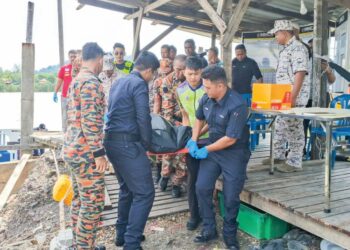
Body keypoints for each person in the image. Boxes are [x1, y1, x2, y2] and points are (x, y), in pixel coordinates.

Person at [188, 65, 250, 249]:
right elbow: (200, 118)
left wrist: (205, 150)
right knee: (201, 187)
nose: (204, 90)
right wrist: (194, 139)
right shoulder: (207, 98)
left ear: (220, 86)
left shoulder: (237, 104)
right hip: (214, 149)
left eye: (207, 87)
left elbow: (230, 139)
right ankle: (209, 228)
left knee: (231, 197)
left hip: (234, 153)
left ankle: (229, 235)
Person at [104, 51, 160, 250]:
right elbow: (143, 118)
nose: (152, 79)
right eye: (153, 75)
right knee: (145, 193)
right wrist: (147, 145)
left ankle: (122, 234)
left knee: (127, 188)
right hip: (128, 144)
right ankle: (132, 242)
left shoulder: (119, 81)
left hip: (111, 142)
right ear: (149, 71)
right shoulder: (139, 84)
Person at [63, 42, 107, 250]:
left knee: (80, 199)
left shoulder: (76, 80)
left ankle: (80, 243)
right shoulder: (91, 83)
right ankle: (83, 247)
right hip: (85, 152)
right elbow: (90, 122)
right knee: (93, 203)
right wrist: (99, 154)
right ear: (99, 59)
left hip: (72, 147)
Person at [264, 20, 310, 172]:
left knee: (294, 128)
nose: (275, 37)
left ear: (284, 32)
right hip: (284, 96)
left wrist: (293, 97)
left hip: (293, 97)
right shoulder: (286, 49)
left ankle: (294, 161)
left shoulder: (297, 48)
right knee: (280, 125)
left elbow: (300, 72)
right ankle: (278, 155)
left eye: (276, 33)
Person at [176, 56, 209, 231]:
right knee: (192, 179)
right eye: (190, 74)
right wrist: (186, 137)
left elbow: (210, 120)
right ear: (184, 72)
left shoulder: (208, 88)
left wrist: (196, 136)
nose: (193, 78)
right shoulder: (179, 90)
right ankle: (194, 215)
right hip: (191, 142)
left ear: (202, 73)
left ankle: (207, 214)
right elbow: (185, 115)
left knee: (206, 180)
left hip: (209, 140)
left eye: (196, 74)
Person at [153, 54, 186, 198]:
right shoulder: (167, 82)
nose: (180, 73)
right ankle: (165, 176)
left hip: (186, 124)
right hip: (171, 122)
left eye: (183, 70)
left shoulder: (191, 81)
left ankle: (177, 184)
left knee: (182, 156)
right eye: (177, 69)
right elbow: (167, 111)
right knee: (169, 151)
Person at [303, 38, 336, 155]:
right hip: (306, 98)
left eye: (313, 47)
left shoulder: (326, 61)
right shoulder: (303, 59)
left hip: (321, 98)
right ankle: (301, 150)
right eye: (310, 47)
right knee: (303, 124)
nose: (311, 50)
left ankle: (318, 151)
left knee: (320, 125)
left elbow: (332, 81)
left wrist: (327, 71)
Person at [53, 49, 77, 132]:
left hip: (76, 97)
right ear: (68, 57)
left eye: (75, 56)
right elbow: (59, 82)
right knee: (65, 115)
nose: (73, 58)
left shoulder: (80, 69)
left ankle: (73, 132)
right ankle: (64, 131)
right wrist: (55, 93)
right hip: (65, 96)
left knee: (75, 115)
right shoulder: (64, 69)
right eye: (71, 57)